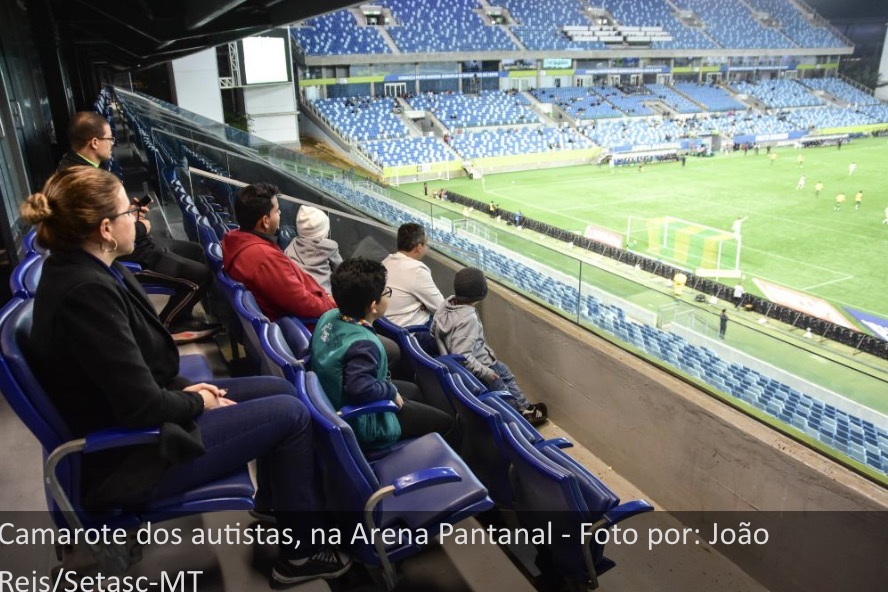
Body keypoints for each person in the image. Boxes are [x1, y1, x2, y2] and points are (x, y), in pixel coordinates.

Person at [21, 166, 350, 586]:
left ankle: (279, 503)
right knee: (292, 415)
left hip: (139, 419)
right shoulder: (86, 293)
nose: (137, 219)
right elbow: (141, 406)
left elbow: (130, 375)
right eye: (128, 213)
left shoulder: (89, 271)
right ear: (105, 229)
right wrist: (199, 401)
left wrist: (189, 391)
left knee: (279, 387)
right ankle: (300, 556)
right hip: (133, 455)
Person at [58, 111, 218, 342]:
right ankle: (168, 326)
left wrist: (128, 213)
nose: (113, 144)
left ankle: (183, 315)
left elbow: (105, 217)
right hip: (127, 252)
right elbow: (100, 233)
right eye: (110, 139)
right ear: (94, 142)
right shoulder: (81, 180)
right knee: (200, 276)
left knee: (195, 251)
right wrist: (139, 227)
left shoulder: (82, 167)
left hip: (134, 240)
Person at [311, 258, 455, 450]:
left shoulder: (328, 316)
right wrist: (390, 391)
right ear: (373, 305)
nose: (387, 295)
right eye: (386, 292)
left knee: (413, 390)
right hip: (364, 422)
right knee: (447, 423)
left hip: (334, 396)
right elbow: (359, 389)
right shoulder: (364, 344)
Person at [431, 267, 548, 426]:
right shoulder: (468, 318)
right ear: (480, 294)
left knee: (506, 374)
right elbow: (463, 357)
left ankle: (525, 407)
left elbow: (433, 330)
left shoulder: (446, 304)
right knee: (503, 393)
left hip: (485, 360)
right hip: (483, 367)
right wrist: (487, 373)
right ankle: (519, 422)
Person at [222, 183, 336, 322]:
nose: (280, 213)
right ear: (265, 221)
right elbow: (303, 303)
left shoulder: (236, 239)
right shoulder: (264, 258)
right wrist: (333, 307)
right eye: (276, 211)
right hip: (309, 323)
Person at [381, 223, 445, 327]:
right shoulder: (417, 271)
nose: (426, 248)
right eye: (426, 245)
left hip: (385, 327)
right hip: (408, 331)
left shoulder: (386, 262)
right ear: (419, 247)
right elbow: (440, 307)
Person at [283, 205, 342, 294]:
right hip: (325, 294)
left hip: (301, 291)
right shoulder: (329, 247)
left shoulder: (293, 245)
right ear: (323, 232)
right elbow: (341, 268)